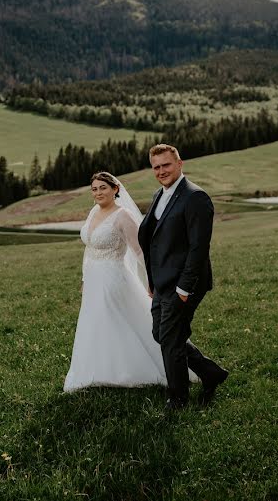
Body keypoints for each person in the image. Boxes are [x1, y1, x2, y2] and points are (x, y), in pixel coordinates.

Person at [63, 172, 189, 392]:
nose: (98, 193)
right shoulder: (94, 212)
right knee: (94, 323)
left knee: (118, 320)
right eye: (94, 189)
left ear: (115, 189)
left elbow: (140, 252)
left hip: (113, 277)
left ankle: (131, 370)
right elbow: (89, 248)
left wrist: (152, 280)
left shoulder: (123, 216)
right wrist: (84, 278)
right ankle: (98, 370)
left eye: (103, 187)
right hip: (93, 278)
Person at [137, 144, 229, 410]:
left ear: (180, 164)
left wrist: (184, 289)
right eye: (156, 167)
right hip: (162, 283)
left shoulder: (195, 197)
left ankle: (177, 399)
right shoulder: (160, 194)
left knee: (171, 340)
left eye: (166, 165)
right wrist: (153, 282)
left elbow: (198, 249)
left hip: (184, 284)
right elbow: (154, 240)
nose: (161, 171)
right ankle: (211, 373)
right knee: (161, 334)